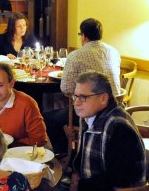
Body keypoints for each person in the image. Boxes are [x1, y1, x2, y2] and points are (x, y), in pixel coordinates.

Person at [47, 71, 146, 191]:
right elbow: (83, 155)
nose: (76, 103)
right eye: (75, 96)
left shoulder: (119, 127)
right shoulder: (90, 116)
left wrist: (80, 188)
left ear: (103, 98)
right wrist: (75, 176)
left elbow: (119, 178)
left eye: (83, 97)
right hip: (93, 190)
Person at [44, 18, 121, 155]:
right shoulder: (113, 51)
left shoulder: (76, 55)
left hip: (91, 110)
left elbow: (66, 88)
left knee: (48, 118)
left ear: (84, 36)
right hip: (116, 107)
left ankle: (64, 154)